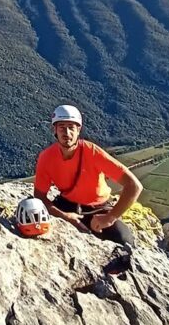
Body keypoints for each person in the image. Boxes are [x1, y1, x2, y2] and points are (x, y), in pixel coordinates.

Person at [33, 104, 141, 249]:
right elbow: (39, 196)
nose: (67, 133)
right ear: (55, 130)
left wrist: (110, 217)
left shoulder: (93, 152)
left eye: (71, 127)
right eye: (62, 127)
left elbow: (134, 186)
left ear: (78, 130)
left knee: (124, 240)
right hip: (66, 205)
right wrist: (63, 216)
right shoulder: (46, 157)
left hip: (99, 208)